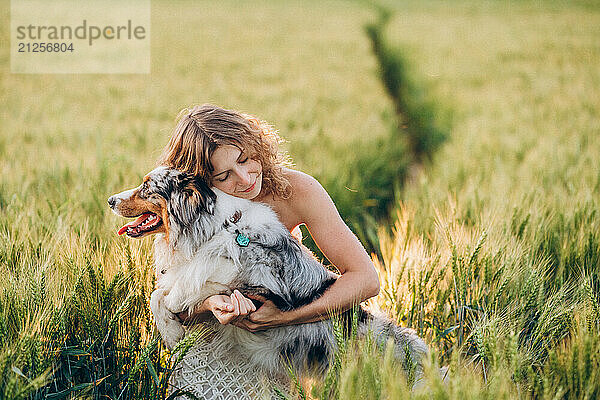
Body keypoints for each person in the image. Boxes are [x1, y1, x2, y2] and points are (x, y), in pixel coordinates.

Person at [159, 104, 380, 398]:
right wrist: (211, 303)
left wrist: (286, 317)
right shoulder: (188, 212)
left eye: (245, 159)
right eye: (224, 176)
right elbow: (174, 306)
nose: (246, 179)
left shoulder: (297, 191)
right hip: (211, 355)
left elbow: (366, 280)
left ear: (255, 143)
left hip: (275, 356)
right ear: (199, 181)